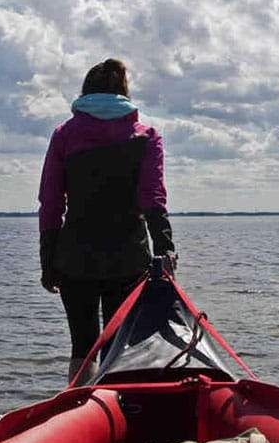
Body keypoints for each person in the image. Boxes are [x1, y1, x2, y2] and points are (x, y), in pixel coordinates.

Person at [38, 58, 176, 382]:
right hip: (128, 257)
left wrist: (48, 260)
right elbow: (153, 198)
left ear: (86, 91)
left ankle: (77, 414)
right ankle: (116, 417)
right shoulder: (147, 136)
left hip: (75, 258)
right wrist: (166, 250)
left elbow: (51, 202)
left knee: (82, 346)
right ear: (123, 92)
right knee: (119, 346)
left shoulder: (64, 135)